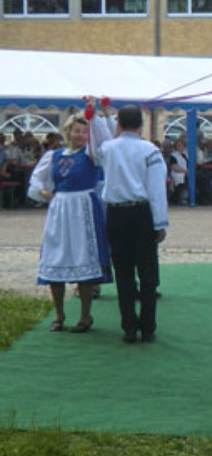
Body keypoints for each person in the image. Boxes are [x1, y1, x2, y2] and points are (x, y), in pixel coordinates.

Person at [89, 104, 169, 344]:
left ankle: (129, 327)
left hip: (115, 214)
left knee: (123, 271)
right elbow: (157, 190)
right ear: (141, 124)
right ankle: (148, 327)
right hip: (142, 213)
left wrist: (96, 117)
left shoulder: (108, 149)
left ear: (119, 124)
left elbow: (96, 145)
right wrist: (160, 222)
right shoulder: (150, 150)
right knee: (147, 272)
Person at [27, 112, 113, 333]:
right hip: (60, 210)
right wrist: (49, 195)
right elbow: (36, 181)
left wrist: (94, 117)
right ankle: (59, 314)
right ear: (68, 132)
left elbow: (104, 141)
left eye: (85, 132)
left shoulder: (93, 154)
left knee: (84, 259)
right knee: (55, 258)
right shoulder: (53, 156)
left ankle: (85, 317)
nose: (81, 135)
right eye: (77, 130)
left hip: (84, 208)